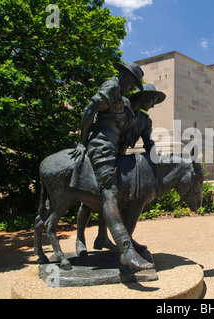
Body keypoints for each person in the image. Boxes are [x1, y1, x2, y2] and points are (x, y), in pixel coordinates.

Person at [70, 61, 153, 270]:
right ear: (125, 77)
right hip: (103, 146)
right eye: (133, 83)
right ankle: (124, 250)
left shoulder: (127, 104)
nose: (132, 87)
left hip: (114, 149)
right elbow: (90, 110)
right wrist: (82, 140)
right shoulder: (113, 87)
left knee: (106, 196)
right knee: (107, 194)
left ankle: (104, 238)